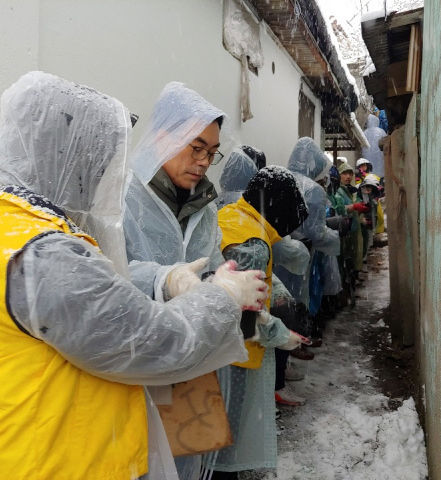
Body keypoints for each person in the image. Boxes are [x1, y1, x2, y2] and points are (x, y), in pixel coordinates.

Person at [0, 72, 271, 480]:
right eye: (102, 157)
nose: (106, 171)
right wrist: (217, 296)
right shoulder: (47, 254)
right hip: (29, 461)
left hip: (19, 446)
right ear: (68, 157)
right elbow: (152, 341)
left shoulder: (8, 226)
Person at [123, 84, 294, 480]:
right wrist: (163, 280)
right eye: (195, 148)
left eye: (211, 153)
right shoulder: (123, 199)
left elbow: (214, 271)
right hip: (134, 367)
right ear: (164, 136)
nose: (203, 162)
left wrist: (244, 306)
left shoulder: (205, 211)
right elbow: (104, 279)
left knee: (186, 464)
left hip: (191, 367)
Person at [210, 165, 310, 478]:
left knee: (211, 432)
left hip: (211, 349)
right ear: (276, 208)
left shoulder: (231, 215)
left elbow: (246, 279)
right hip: (234, 358)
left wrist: (278, 295)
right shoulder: (254, 242)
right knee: (226, 436)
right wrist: (281, 335)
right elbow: (242, 318)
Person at [275, 138, 340, 343]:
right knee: (296, 302)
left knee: (276, 303)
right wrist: (336, 236)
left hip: (276, 252)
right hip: (300, 255)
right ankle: (294, 347)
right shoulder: (313, 189)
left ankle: (282, 347)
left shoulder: (279, 178)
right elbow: (316, 233)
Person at [332, 162, 366, 306]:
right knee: (342, 264)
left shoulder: (350, 191)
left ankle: (349, 291)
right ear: (339, 175)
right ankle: (343, 295)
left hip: (353, 231)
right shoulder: (337, 192)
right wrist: (353, 207)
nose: (348, 176)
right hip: (343, 234)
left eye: (350, 174)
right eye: (345, 173)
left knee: (352, 263)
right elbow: (337, 209)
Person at [361, 114, 387, 178]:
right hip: (379, 156)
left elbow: (362, 146)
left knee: (370, 170)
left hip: (368, 157)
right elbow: (386, 143)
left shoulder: (364, 133)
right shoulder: (381, 131)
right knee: (379, 169)